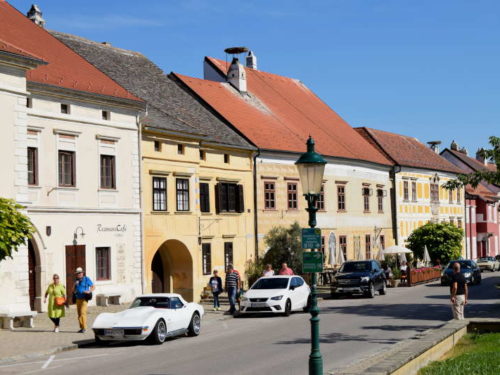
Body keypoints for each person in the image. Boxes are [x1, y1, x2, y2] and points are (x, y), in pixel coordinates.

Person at [73, 267, 95, 333]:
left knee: (83, 313)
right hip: (78, 298)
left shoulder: (86, 279)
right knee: (79, 314)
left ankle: (84, 328)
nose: (79, 274)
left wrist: (89, 291)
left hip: (84, 299)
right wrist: (74, 285)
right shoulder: (76, 280)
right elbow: (73, 290)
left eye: (80, 273)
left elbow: (93, 286)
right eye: (77, 273)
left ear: (83, 273)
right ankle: (81, 327)